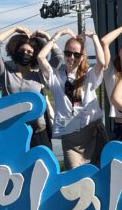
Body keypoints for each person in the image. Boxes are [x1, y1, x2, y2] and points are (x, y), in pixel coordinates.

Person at [37, 28, 109, 169]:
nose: (71, 58)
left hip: (92, 133)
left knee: (98, 174)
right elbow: (40, 57)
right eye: (68, 53)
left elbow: (102, 62)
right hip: (69, 135)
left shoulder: (88, 76)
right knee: (74, 178)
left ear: (82, 56)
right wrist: (56, 36)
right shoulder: (56, 77)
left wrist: (93, 36)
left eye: (76, 54)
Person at [0, 26, 54, 148]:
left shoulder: (40, 75)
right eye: (22, 51)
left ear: (35, 56)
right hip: (11, 129)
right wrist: (15, 29)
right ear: (15, 51)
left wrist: (48, 38)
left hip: (38, 131)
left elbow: (58, 58)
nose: (25, 54)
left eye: (29, 52)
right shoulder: (5, 73)